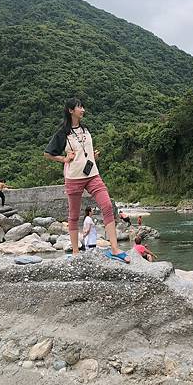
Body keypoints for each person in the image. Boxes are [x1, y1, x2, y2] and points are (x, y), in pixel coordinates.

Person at [44, 98, 130, 263]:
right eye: (79, 107)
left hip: (92, 175)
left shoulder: (85, 129)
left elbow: (85, 151)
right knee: (74, 215)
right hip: (74, 177)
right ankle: (76, 252)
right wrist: (64, 159)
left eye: (83, 106)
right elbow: (48, 153)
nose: (82, 109)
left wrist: (93, 157)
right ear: (70, 110)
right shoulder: (63, 132)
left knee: (106, 205)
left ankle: (115, 249)